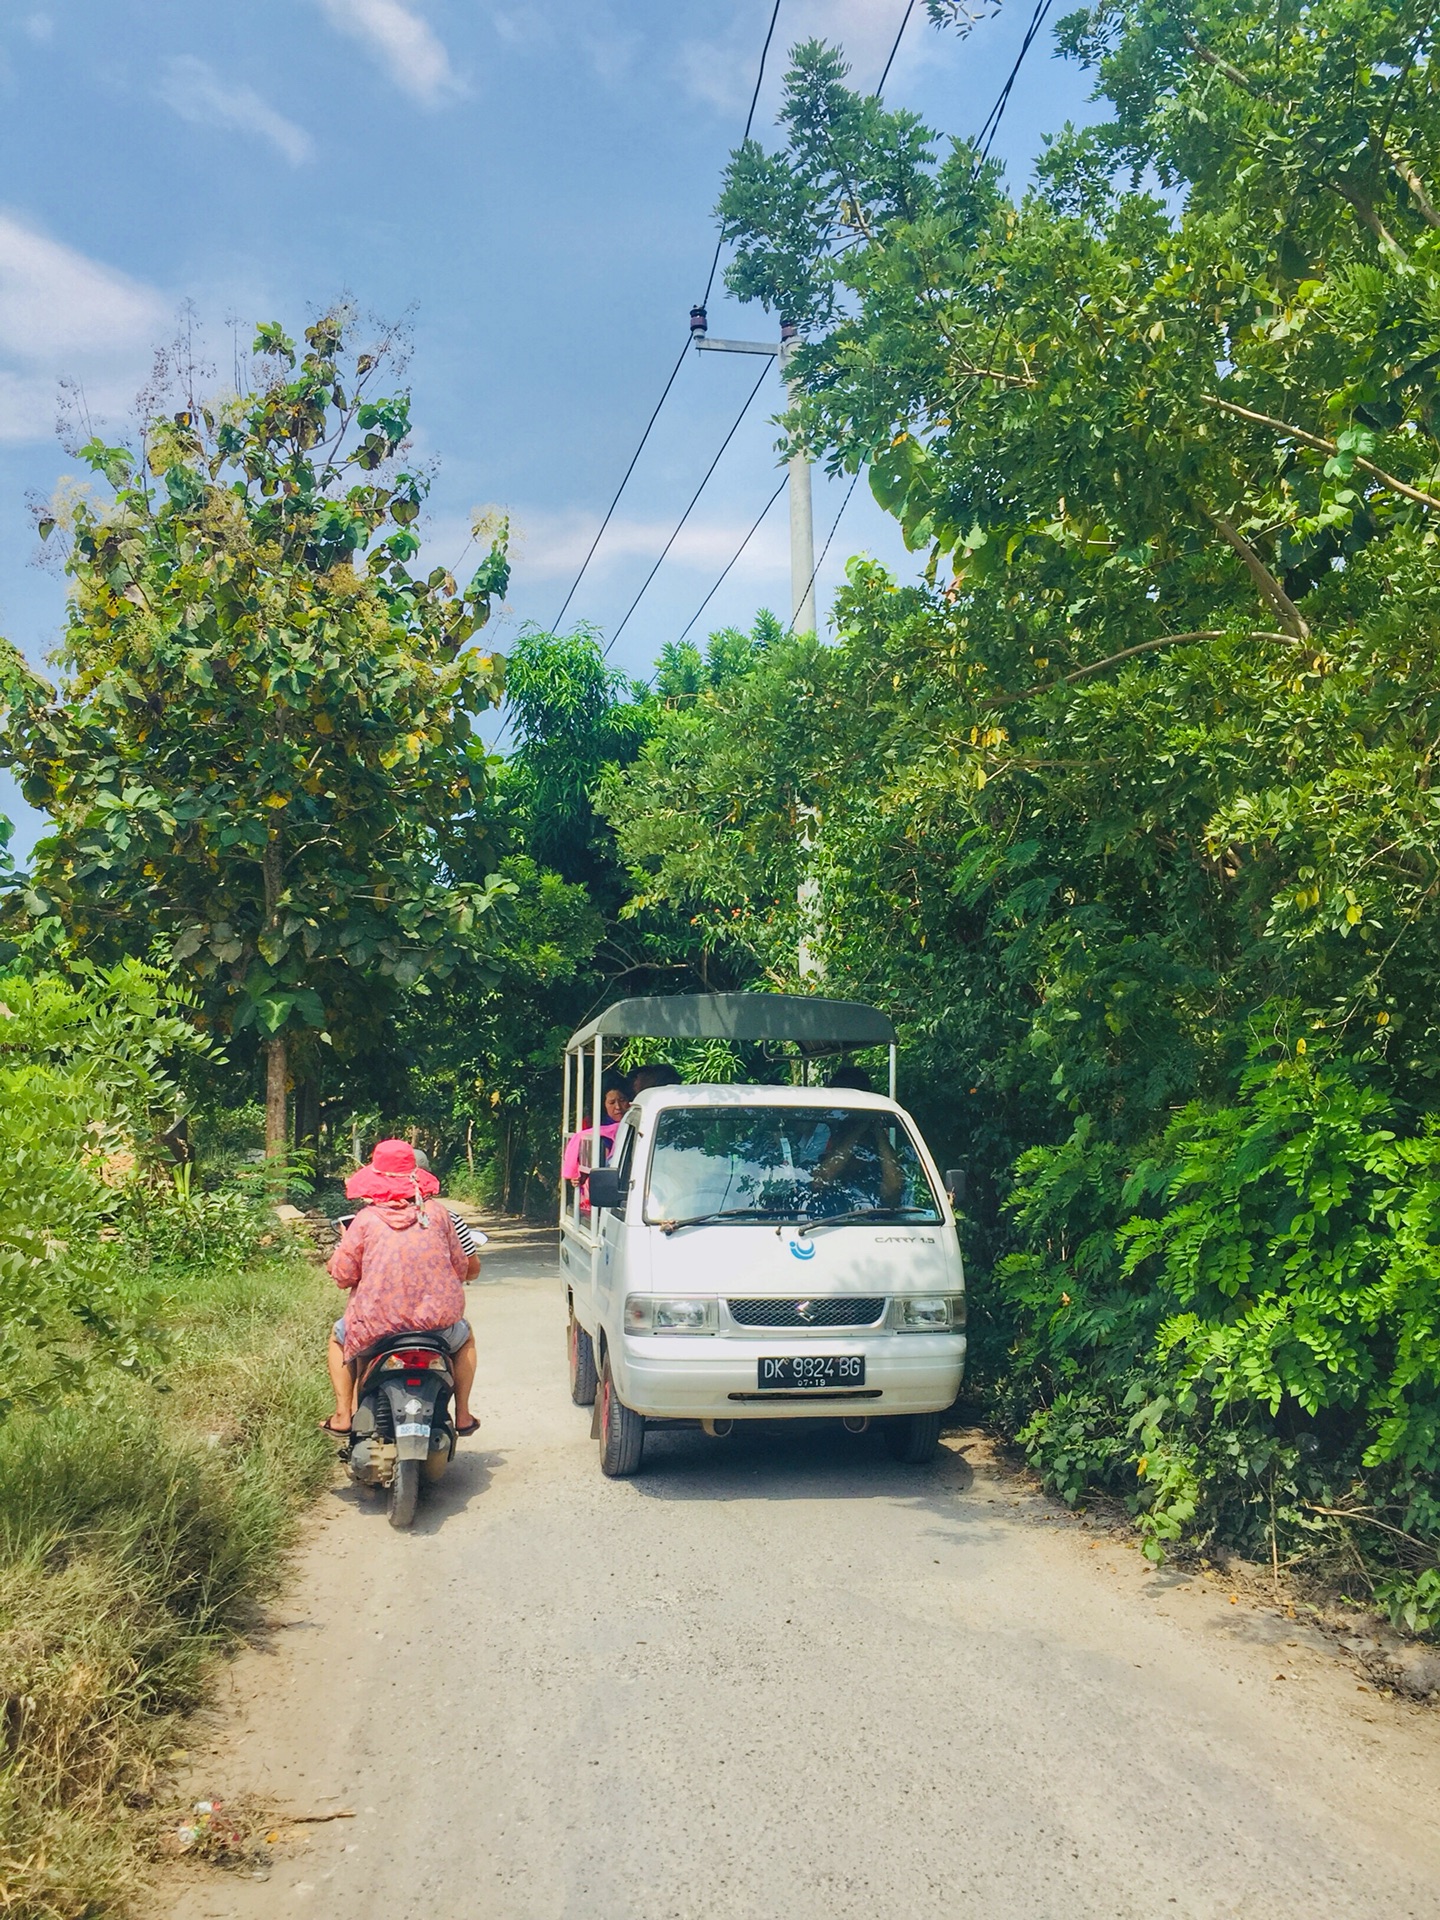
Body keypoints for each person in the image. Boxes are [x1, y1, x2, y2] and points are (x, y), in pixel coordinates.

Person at [322, 1139, 479, 1437]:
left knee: (338, 1337)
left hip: (375, 1328)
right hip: (438, 1327)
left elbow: (342, 1275)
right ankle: (462, 1415)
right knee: (466, 1338)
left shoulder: (365, 1220)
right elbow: (461, 1268)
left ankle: (343, 1415)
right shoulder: (438, 1214)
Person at [561, 1074, 632, 1203]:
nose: (618, 1107)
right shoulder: (591, 1125)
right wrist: (577, 1176)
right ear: (602, 1105)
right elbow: (581, 1160)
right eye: (611, 1102)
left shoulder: (636, 1123)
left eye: (622, 1100)